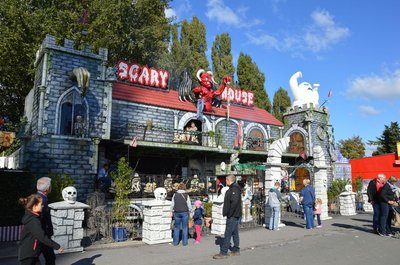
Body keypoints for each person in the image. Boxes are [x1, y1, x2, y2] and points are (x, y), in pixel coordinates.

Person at [18, 194, 64, 265]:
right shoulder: (33, 220)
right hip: (28, 255)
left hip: (33, 253)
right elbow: (42, 236)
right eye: (41, 204)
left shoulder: (34, 217)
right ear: (35, 206)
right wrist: (57, 246)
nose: (43, 206)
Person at [213, 174, 242, 259]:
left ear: (229, 180)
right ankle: (236, 249)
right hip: (234, 215)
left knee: (228, 233)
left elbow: (234, 202)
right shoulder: (233, 188)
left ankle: (223, 252)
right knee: (234, 233)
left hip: (233, 215)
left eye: (226, 180)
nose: (225, 182)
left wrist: (229, 213)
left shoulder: (234, 189)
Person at [36, 177, 56, 265]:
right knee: (49, 257)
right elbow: (40, 218)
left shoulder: (37, 196)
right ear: (47, 189)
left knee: (50, 257)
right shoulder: (42, 200)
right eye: (51, 186)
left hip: (42, 233)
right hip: (42, 233)